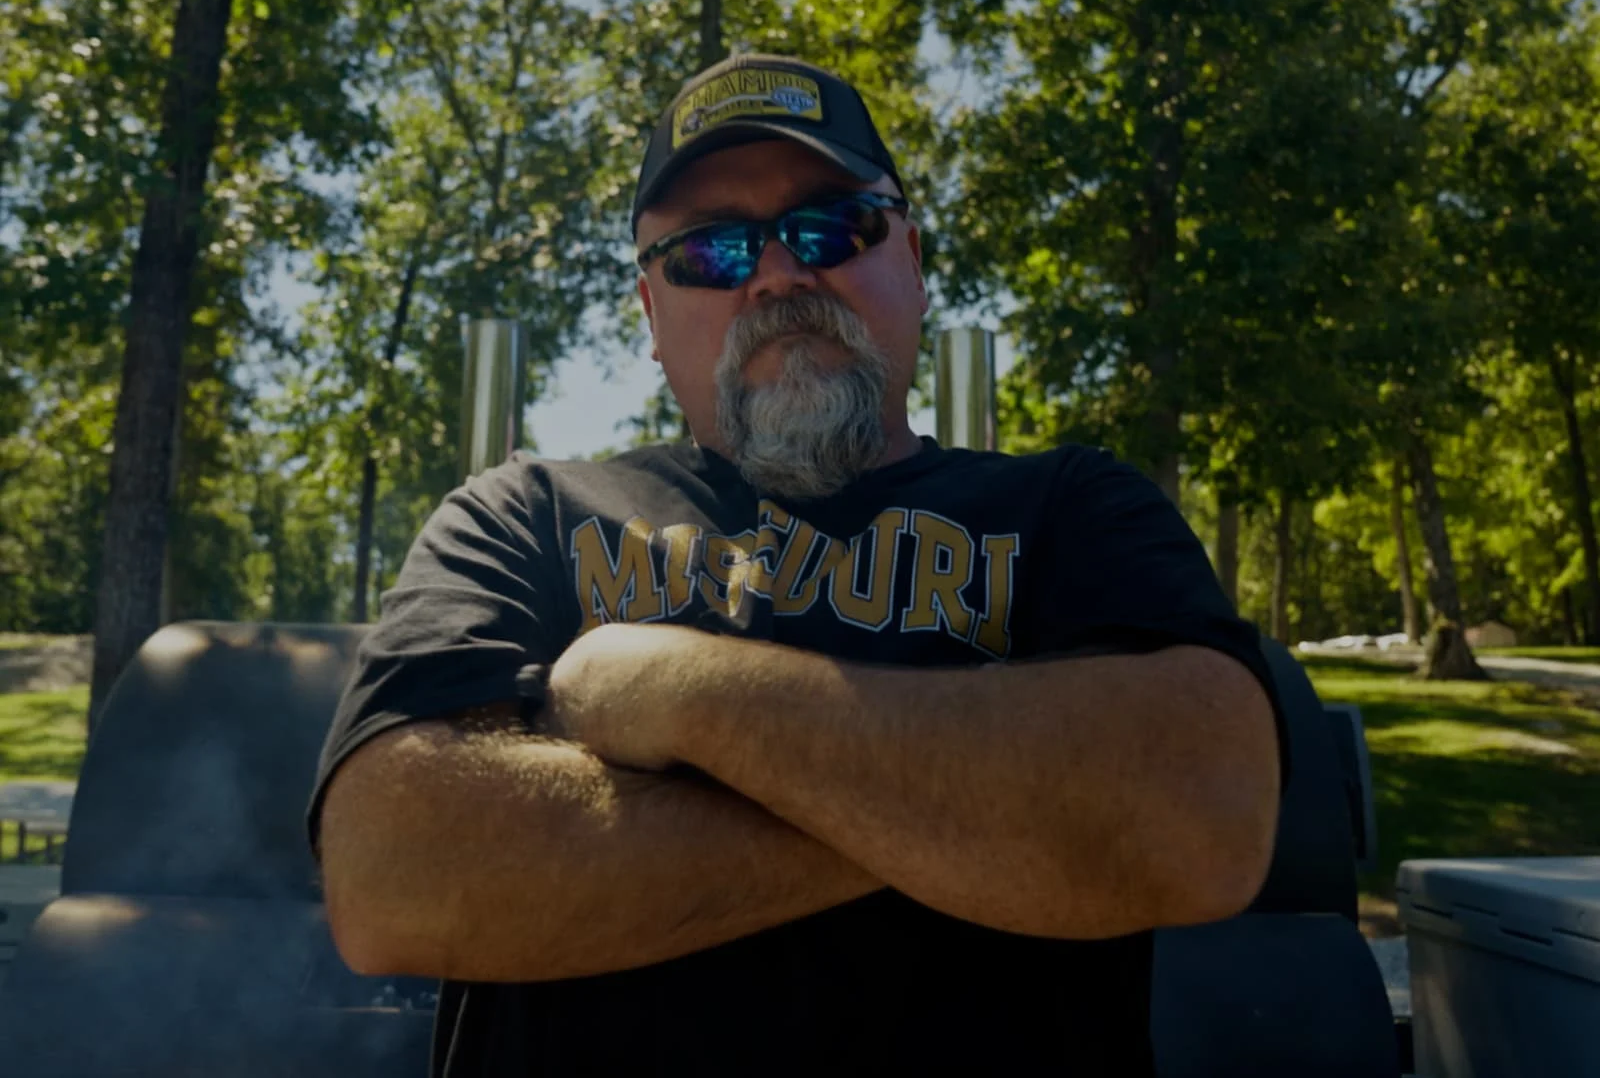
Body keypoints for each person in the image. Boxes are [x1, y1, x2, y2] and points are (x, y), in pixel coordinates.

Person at [308, 53, 1290, 1077]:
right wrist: (998, 812)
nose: (778, 274)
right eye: (709, 253)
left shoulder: (1072, 506)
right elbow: (394, 874)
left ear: (909, 258)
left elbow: (1200, 814)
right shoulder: (522, 517)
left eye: (831, 226)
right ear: (650, 314)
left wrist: (671, 695)